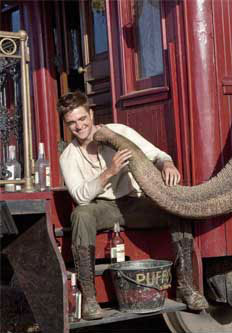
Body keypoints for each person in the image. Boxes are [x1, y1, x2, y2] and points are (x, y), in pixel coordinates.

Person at [57, 91, 208, 320]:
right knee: (81, 215)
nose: (79, 126)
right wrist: (110, 172)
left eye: (82, 119)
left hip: (134, 203)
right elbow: (81, 196)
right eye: (72, 123)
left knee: (177, 207)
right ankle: (89, 299)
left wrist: (167, 163)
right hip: (102, 207)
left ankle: (187, 286)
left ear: (91, 114)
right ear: (67, 126)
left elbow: (156, 154)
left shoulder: (118, 132)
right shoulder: (68, 156)